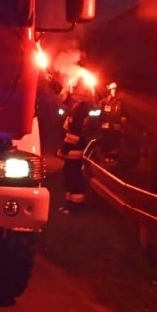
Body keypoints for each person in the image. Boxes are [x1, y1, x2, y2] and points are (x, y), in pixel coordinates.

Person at [59, 79, 98, 213]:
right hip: (73, 150)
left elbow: (74, 134)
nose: (71, 90)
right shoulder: (78, 106)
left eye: (74, 88)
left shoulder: (80, 109)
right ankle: (69, 205)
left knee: (74, 178)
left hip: (74, 150)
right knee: (69, 177)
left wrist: (64, 148)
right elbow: (63, 97)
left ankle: (76, 207)